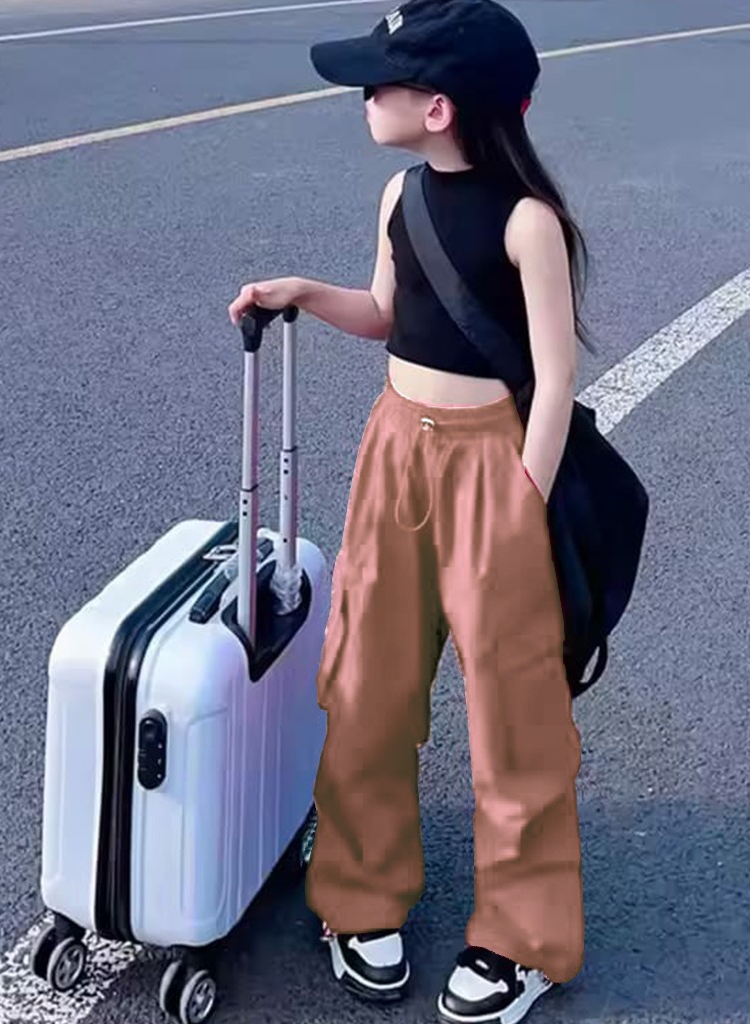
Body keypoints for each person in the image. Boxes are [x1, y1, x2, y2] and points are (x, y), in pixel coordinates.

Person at [228, 1, 590, 1019]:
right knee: (367, 678)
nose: (363, 96)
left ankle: (522, 937)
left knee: (512, 706)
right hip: (395, 449)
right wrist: (305, 291)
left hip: (492, 467)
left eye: (376, 83)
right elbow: (387, 312)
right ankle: (359, 893)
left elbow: (555, 378)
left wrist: (522, 497)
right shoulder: (400, 195)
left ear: (438, 108)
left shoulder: (528, 222)